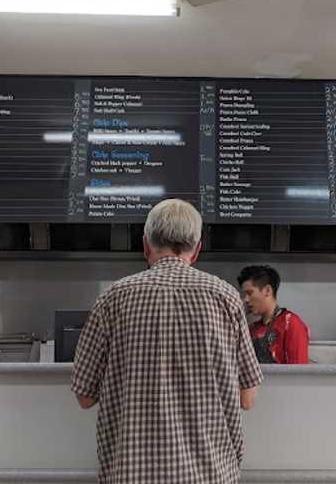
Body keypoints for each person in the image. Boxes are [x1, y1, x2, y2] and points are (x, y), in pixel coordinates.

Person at [72, 199, 263, 484]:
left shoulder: (113, 298)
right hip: (211, 475)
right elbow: (247, 398)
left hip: (131, 475)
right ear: (196, 250)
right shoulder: (226, 299)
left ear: (146, 245)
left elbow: (85, 396)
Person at [237, 264, 310, 364]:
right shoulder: (252, 328)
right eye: (244, 295)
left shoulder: (291, 324)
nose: (245, 299)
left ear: (267, 290)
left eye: (250, 293)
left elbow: (299, 375)